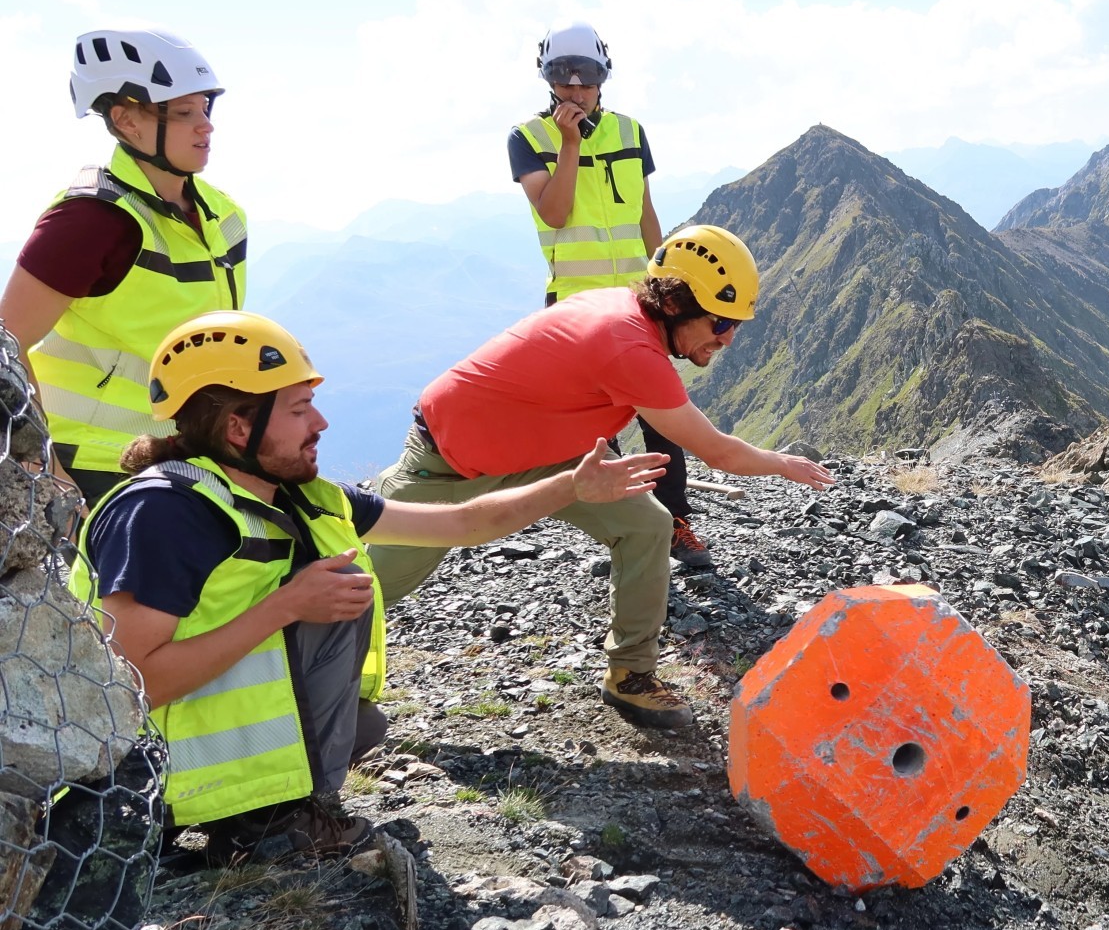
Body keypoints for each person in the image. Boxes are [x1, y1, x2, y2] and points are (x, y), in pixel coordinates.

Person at [69, 312, 668, 858]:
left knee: (365, 727)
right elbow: (132, 685)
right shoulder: (163, 514)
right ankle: (261, 823)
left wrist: (570, 487)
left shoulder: (302, 499)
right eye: (300, 408)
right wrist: (286, 606)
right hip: (132, 768)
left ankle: (264, 807)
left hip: (200, 741)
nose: (322, 422)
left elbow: (463, 523)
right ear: (237, 427)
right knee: (333, 593)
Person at [368, 225, 834, 731]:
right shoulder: (629, 349)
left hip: (555, 456)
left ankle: (630, 675)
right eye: (720, 320)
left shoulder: (631, 321)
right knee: (363, 591)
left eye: (736, 323)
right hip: (446, 462)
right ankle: (306, 691)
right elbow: (718, 452)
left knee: (647, 525)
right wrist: (784, 463)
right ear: (677, 303)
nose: (727, 337)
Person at [2, 28, 246, 506]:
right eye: (183, 113)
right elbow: (5, 343)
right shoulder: (88, 220)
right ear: (126, 120)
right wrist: (48, 473)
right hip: (96, 466)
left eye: (205, 108)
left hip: (187, 455)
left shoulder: (224, 214)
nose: (206, 126)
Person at [509, 22, 713, 571]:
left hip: (638, 302)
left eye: (587, 75)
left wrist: (669, 285)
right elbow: (554, 212)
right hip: (577, 311)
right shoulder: (527, 139)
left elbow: (645, 212)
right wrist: (571, 143)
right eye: (562, 75)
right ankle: (632, 530)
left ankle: (675, 525)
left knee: (662, 419)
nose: (576, 89)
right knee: (595, 429)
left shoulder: (630, 131)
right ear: (547, 78)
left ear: (604, 76)